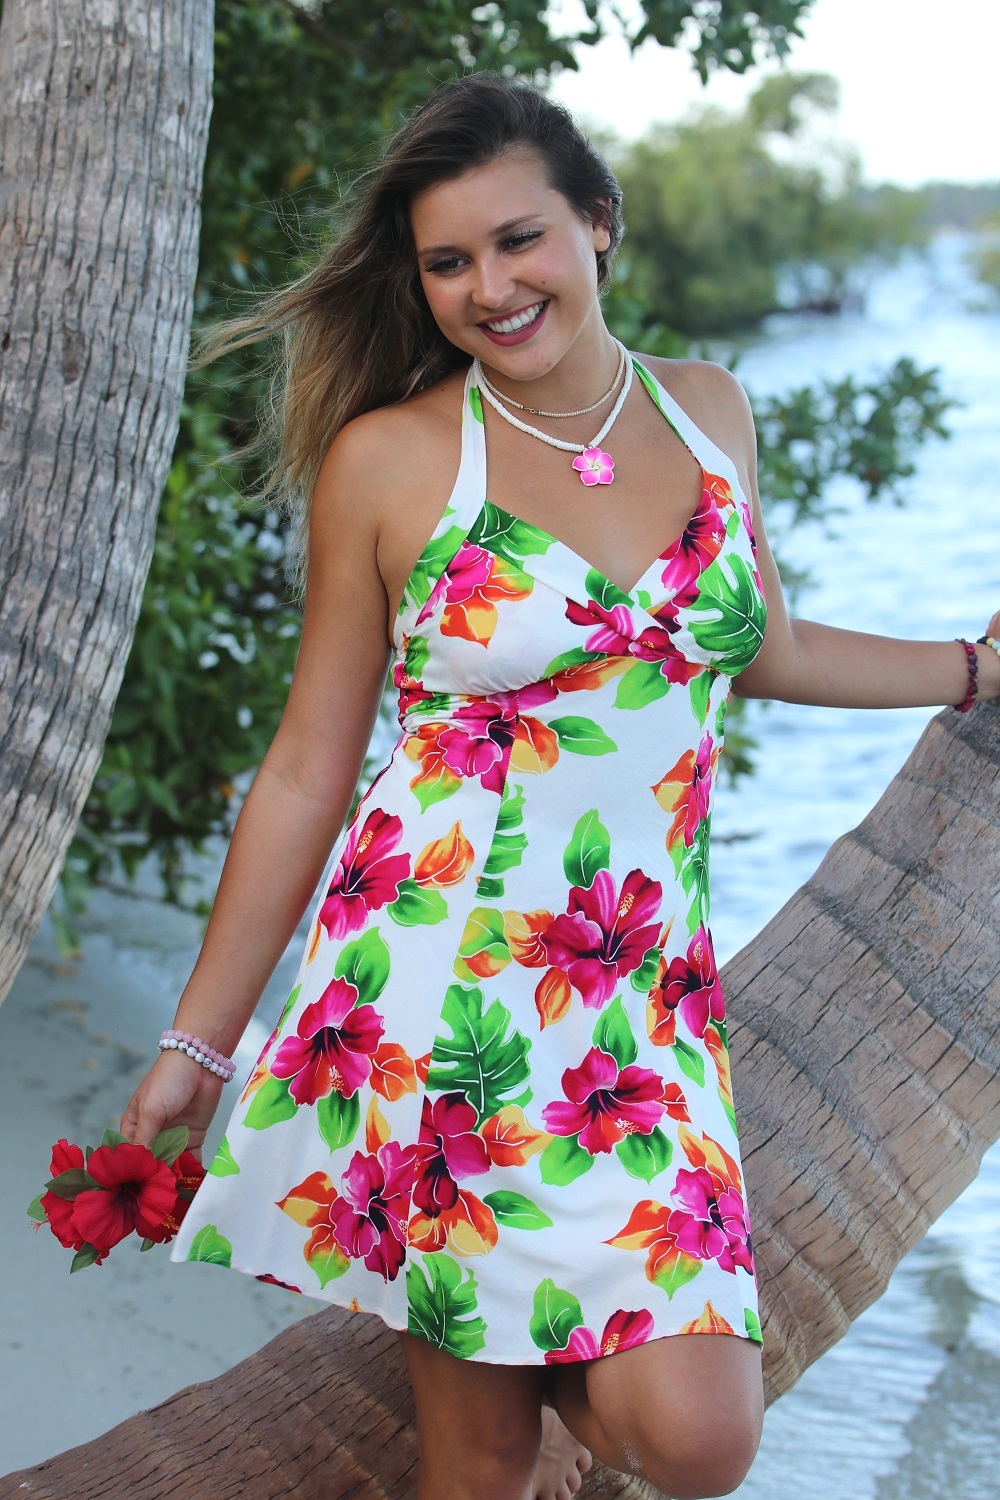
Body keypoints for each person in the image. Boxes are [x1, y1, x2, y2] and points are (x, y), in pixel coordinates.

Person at [121, 72, 1000, 1500]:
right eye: (448, 263)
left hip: (640, 1012)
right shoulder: (394, 460)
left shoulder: (708, 411)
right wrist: (201, 1047)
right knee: (478, 1461)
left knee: (701, 1439)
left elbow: (753, 646)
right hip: (442, 1002)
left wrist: (968, 666)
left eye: (519, 240)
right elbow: (302, 769)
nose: (489, 286)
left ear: (598, 224)